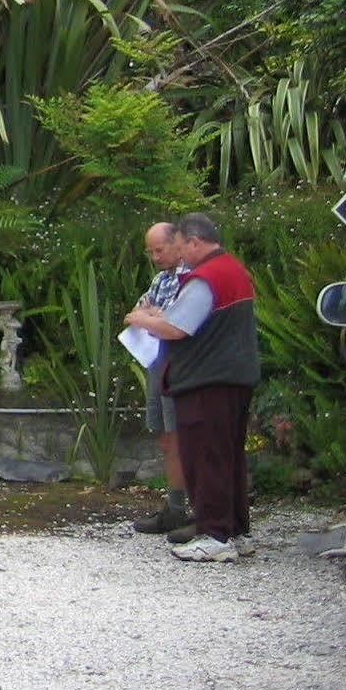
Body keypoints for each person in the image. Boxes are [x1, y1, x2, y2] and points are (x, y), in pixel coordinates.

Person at [124, 212, 260, 563]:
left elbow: (176, 328)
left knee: (206, 456)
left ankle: (215, 534)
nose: (180, 255)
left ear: (196, 242)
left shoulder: (206, 278)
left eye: (182, 246)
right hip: (236, 375)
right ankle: (236, 530)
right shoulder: (235, 270)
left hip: (207, 380)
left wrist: (143, 320)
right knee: (228, 455)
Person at [128, 222, 190, 537]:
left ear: (177, 244)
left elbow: (174, 320)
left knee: (179, 434)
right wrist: (149, 316)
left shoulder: (189, 279)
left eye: (159, 250)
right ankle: (174, 505)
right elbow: (140, 309)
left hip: (177, 366)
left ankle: (184, 508)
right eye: (150, 251)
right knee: (165, 435)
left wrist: (150, 317)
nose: (154, 257)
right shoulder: (161, 279)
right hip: (156, 361)